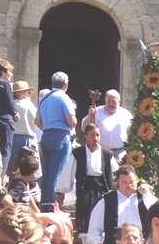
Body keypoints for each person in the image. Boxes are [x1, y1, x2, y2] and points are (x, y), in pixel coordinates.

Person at [56, 124, 119, 234]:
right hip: (85, 190)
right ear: (86, 136)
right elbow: (67, 173)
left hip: (103, 189)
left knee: (104, 218)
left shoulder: (107, 154)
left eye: (98, 135)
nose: (95, 138)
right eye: (92, 135)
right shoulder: (78, 154)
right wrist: (61, 192)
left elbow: (117, 172)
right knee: (86, 221)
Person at [88, 165, 155, 244]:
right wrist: (96, 243)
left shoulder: (145, 197)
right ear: (118, 182)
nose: (129, 185)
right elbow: (94, 226)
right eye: (125, 182)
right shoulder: (107, 201)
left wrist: (147, 194)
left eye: (132, 182)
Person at [36, 71, 78, 204]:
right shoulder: (63, 97)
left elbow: (37, 120)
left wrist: (48, 127)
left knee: (47, 173)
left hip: (46, 136)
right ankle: (51, 205)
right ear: (66, 84)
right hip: (60, 136)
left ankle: (44, 203)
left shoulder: (44, 98)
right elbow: (71, 120)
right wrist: (75, 122)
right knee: (58, 173)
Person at [81, 89, 133, 156]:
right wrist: (89, 116)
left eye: (114, 102)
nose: (111, 104)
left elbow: (133, 131)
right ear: (105, 100)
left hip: (120, 152)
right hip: (101, 151)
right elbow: (84, 128)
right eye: (108, 101)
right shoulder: (96, 111)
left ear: (119, 102)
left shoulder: (126, 114)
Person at [8, 80, 38, 179]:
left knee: (13, 167)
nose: (30, 95)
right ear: (22, 93)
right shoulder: (28, 105)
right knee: (29, 166)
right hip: (27, 137)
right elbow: (36, 119)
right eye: (28, 92)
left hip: (13, 138)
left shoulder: (11, 105)